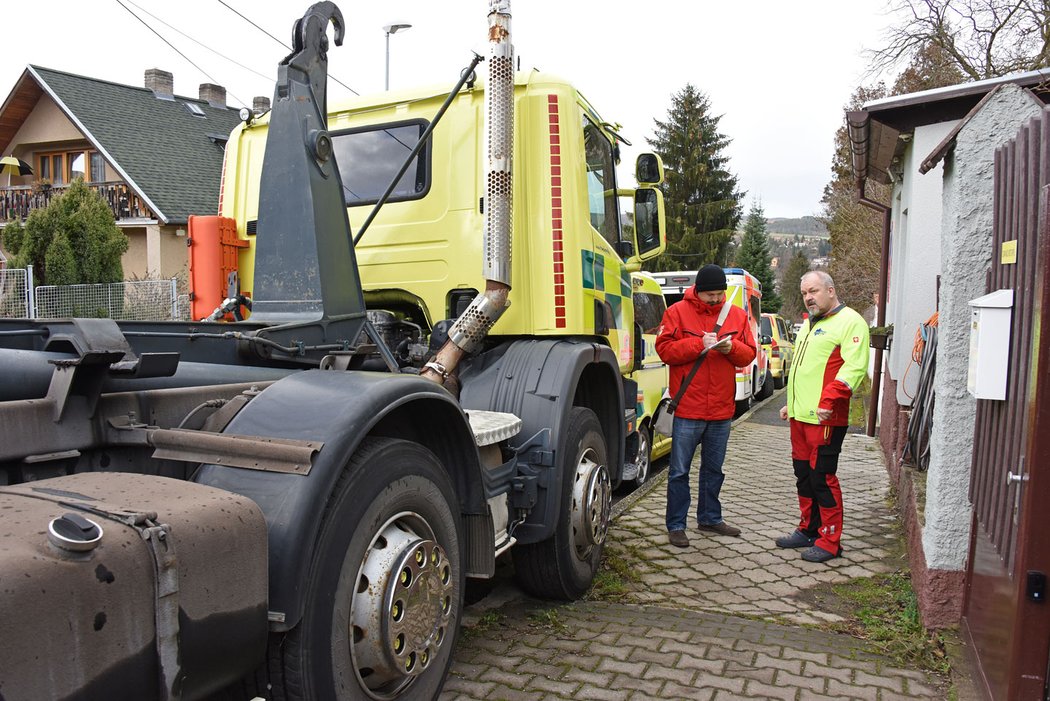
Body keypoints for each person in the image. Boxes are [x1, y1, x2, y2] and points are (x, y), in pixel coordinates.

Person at [656, 264, 757, 548]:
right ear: (697, 292)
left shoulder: (736, 314)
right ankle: (676, 524)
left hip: (721, 410)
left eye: (718, 294)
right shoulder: (676, 312)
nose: (714, 299)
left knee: (714, 470)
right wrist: (698, 344)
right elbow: (664, 350)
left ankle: (710, 518)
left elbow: (749, 354)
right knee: (679, 471)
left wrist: (730, 348)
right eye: (709, 294)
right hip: (688, 407)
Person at [777, 271, 870, 563]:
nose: (808, 297)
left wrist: (830, 400)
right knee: (803, 477)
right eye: (805, 293)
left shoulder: (850, 321)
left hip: (826, 419)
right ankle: (808, 529)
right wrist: (789, 403)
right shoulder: (809, 323)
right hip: (800, 418)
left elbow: (853, 368)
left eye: (814, 291)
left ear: (831, 290)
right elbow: (805, 370)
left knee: (822, 478)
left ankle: (830, 541)